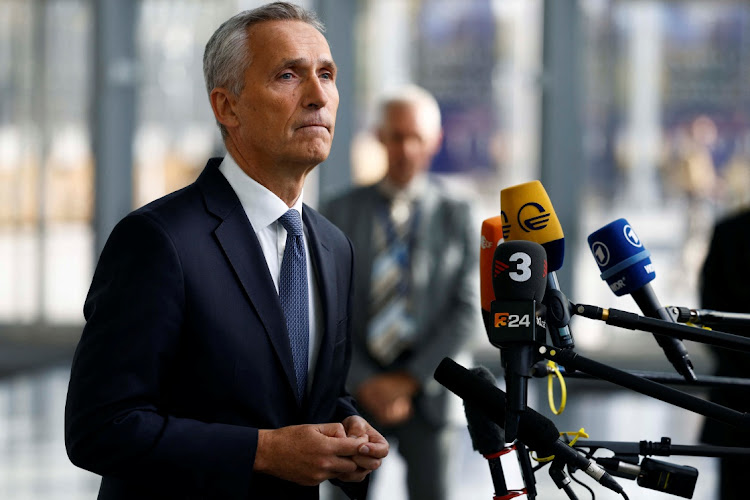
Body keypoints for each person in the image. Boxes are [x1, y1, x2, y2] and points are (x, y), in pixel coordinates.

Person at [64, 3, 388, 499]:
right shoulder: (158, 240)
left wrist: (346, 423)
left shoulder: (332, 245)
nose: (318, 95)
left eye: (327, 74)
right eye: (288, 75)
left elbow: (300, 389)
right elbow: (100, 427)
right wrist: (263, 451)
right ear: (227, 106)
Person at [322, 85, 480, 500]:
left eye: (416, 138)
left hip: (430, 394)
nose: (405, 149)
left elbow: (466, 311)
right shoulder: (337, 212)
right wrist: (366, 381)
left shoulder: (459, 213)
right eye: (396, 136)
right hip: (356, 394)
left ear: (434, 142)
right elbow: (324, 309)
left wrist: (408, 380)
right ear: (379, 137)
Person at [699, 208, 750, 500]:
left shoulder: (729, 231)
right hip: (735, 397)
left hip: (734, 391)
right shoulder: (728, 231)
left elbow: (710, 313)